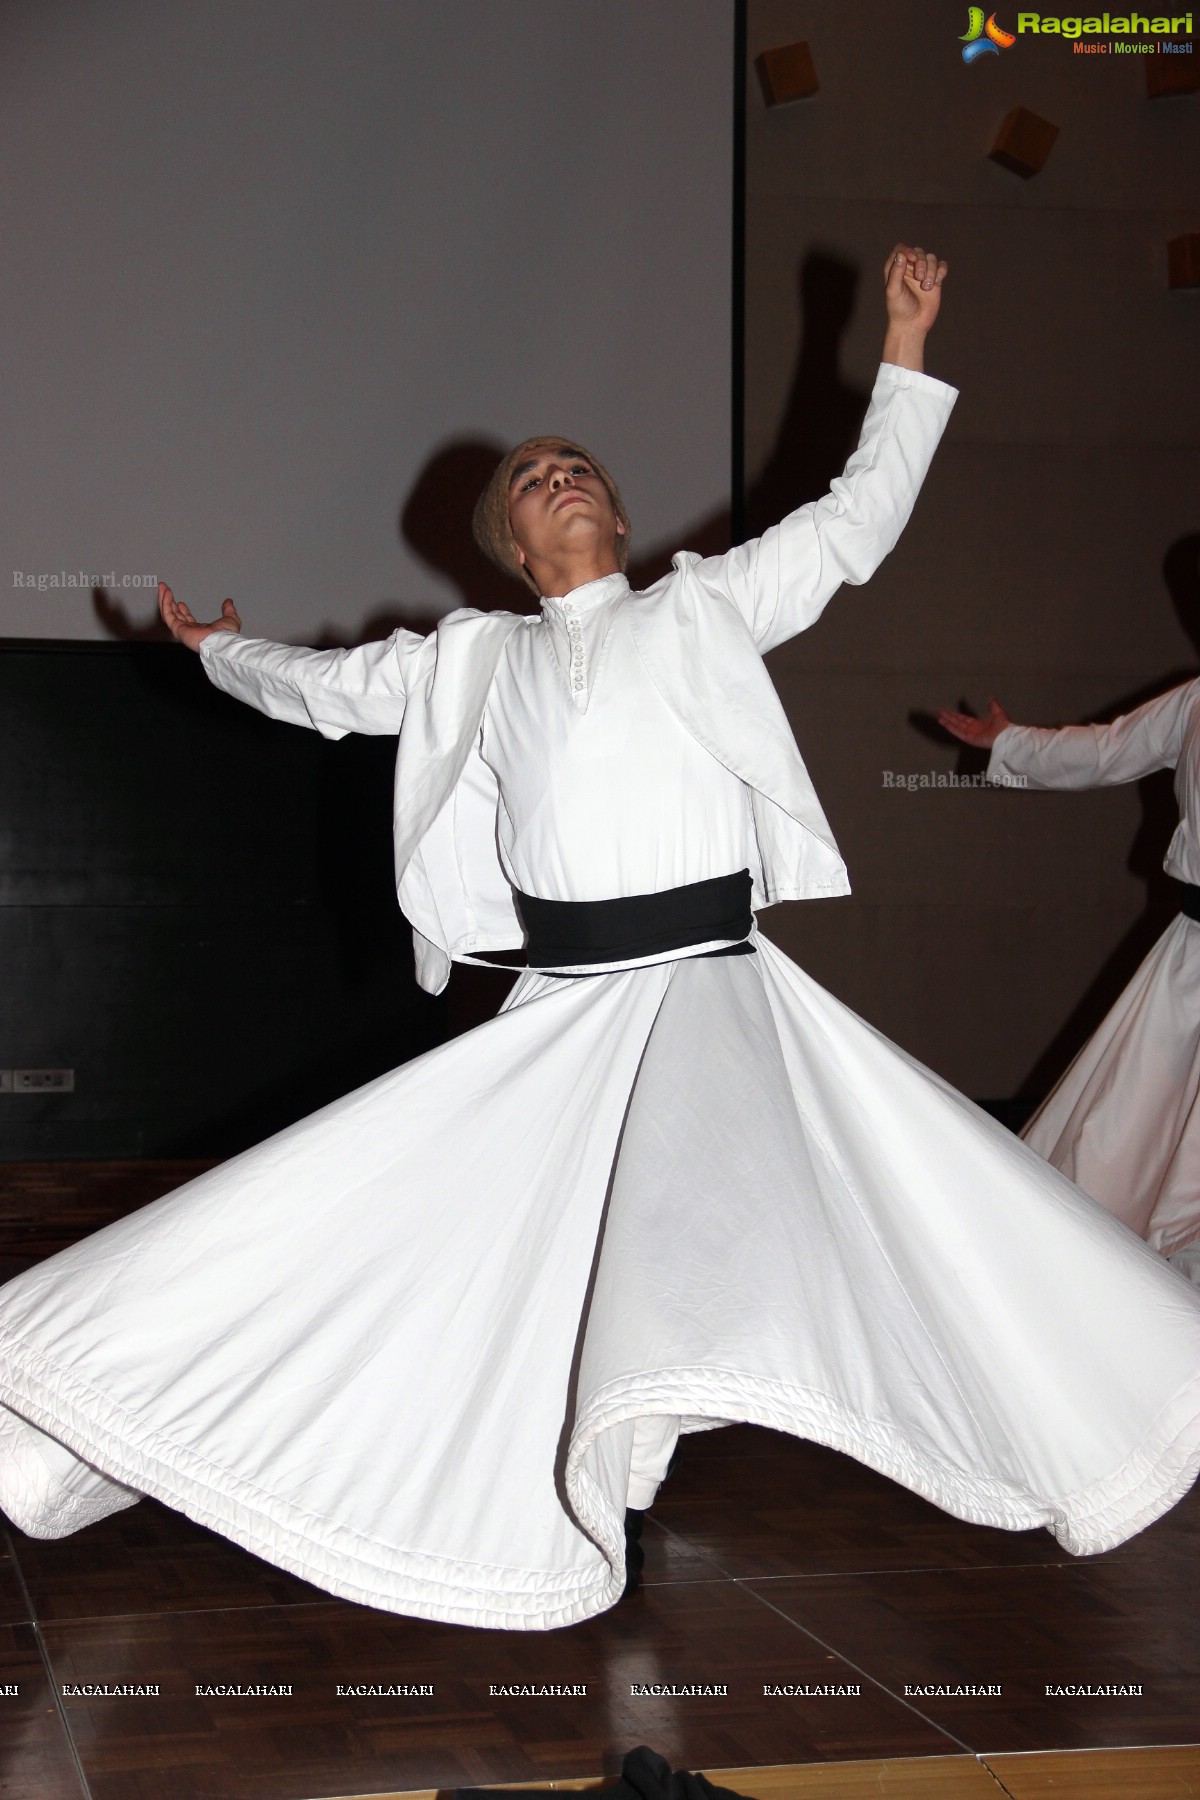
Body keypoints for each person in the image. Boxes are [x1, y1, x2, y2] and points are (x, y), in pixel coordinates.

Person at [2, 248, 1199, 1635]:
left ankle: (697, 1447)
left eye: (579, 464)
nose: (561, 474)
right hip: (564, 1003)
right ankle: (77, 1410)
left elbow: (854, 526)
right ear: (511, 546)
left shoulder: (702, 609)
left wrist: (909, 351)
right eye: (532, 476)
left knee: (883, 1215)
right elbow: (328, 691)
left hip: (711, 991)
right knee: (404, 1222)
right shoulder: (468, 661)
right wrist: (222, 654)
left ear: (618, 513)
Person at [939, 684, 1200, 1285]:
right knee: (1117, 1145)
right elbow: (1109, 749)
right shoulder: (1193, 705)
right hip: (1189, 969)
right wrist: (1009, 743)